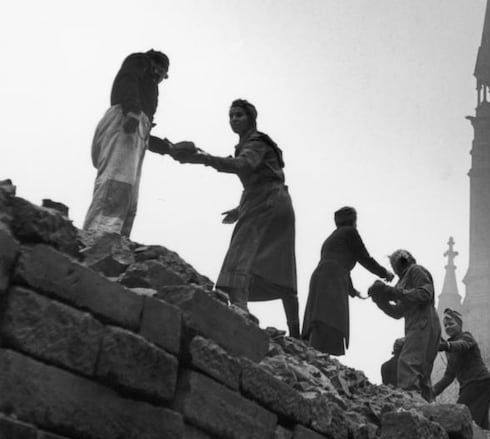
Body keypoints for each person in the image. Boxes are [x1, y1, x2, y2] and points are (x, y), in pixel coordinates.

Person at [172, 99, 300, 337]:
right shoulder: (254, 143)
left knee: (241, 250)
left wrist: (204, 157)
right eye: (231, 116)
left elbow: (245, 165)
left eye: (239, 115)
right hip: (275, 201)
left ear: (251, 118)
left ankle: (240, 306)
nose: (234, 120)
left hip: (267, 199)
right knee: (280, 266)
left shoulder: (255, 142)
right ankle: (296, 333)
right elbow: (262, 176)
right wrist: (239, 209)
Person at [84, 49, 173, 237]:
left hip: (135, 131)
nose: (158, 75)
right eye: (158, 69)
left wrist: (168, 148)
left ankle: (116, 239)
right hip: (124, 122)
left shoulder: (149, 89)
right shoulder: (140, 61)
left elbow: (144, 133)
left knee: (127, 192)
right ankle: (97, 236)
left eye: (162, 73)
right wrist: (132, 110)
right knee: (116, 182)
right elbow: (128, 79)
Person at [301, 206, 393, 355]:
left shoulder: (333, 236)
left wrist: (352, 290)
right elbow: (364, 258)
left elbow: (339, 260)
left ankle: (314, 352)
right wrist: (384, 273)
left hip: (323, 276)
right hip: (333, 278)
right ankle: (316, 354)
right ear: (352, 220)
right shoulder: (350, 232)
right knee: (327, 317)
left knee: (319, 315)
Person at [369, 250, 441, 401]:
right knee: (422, 372)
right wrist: (380, 301)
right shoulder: (402, 282)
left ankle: (410, 400)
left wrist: (394, 292)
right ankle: (427, 405)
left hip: (423, 321)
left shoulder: (416, 270)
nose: (395, 265)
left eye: (395, 261)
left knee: (408, 362)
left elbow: (425, 294)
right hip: (418, 324)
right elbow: (397, 312)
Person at [432, 308, 490, 429]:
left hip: (479, 382)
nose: (448, 327)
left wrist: (447, 345)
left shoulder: (466, 337)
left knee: (460, 418)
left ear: (459, 325)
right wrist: (433, 391)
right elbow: (449, 376)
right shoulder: (449, 350)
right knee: (480, 425)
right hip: (470, 385)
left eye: (451, 324)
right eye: (445, 325)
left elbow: (462, 345)